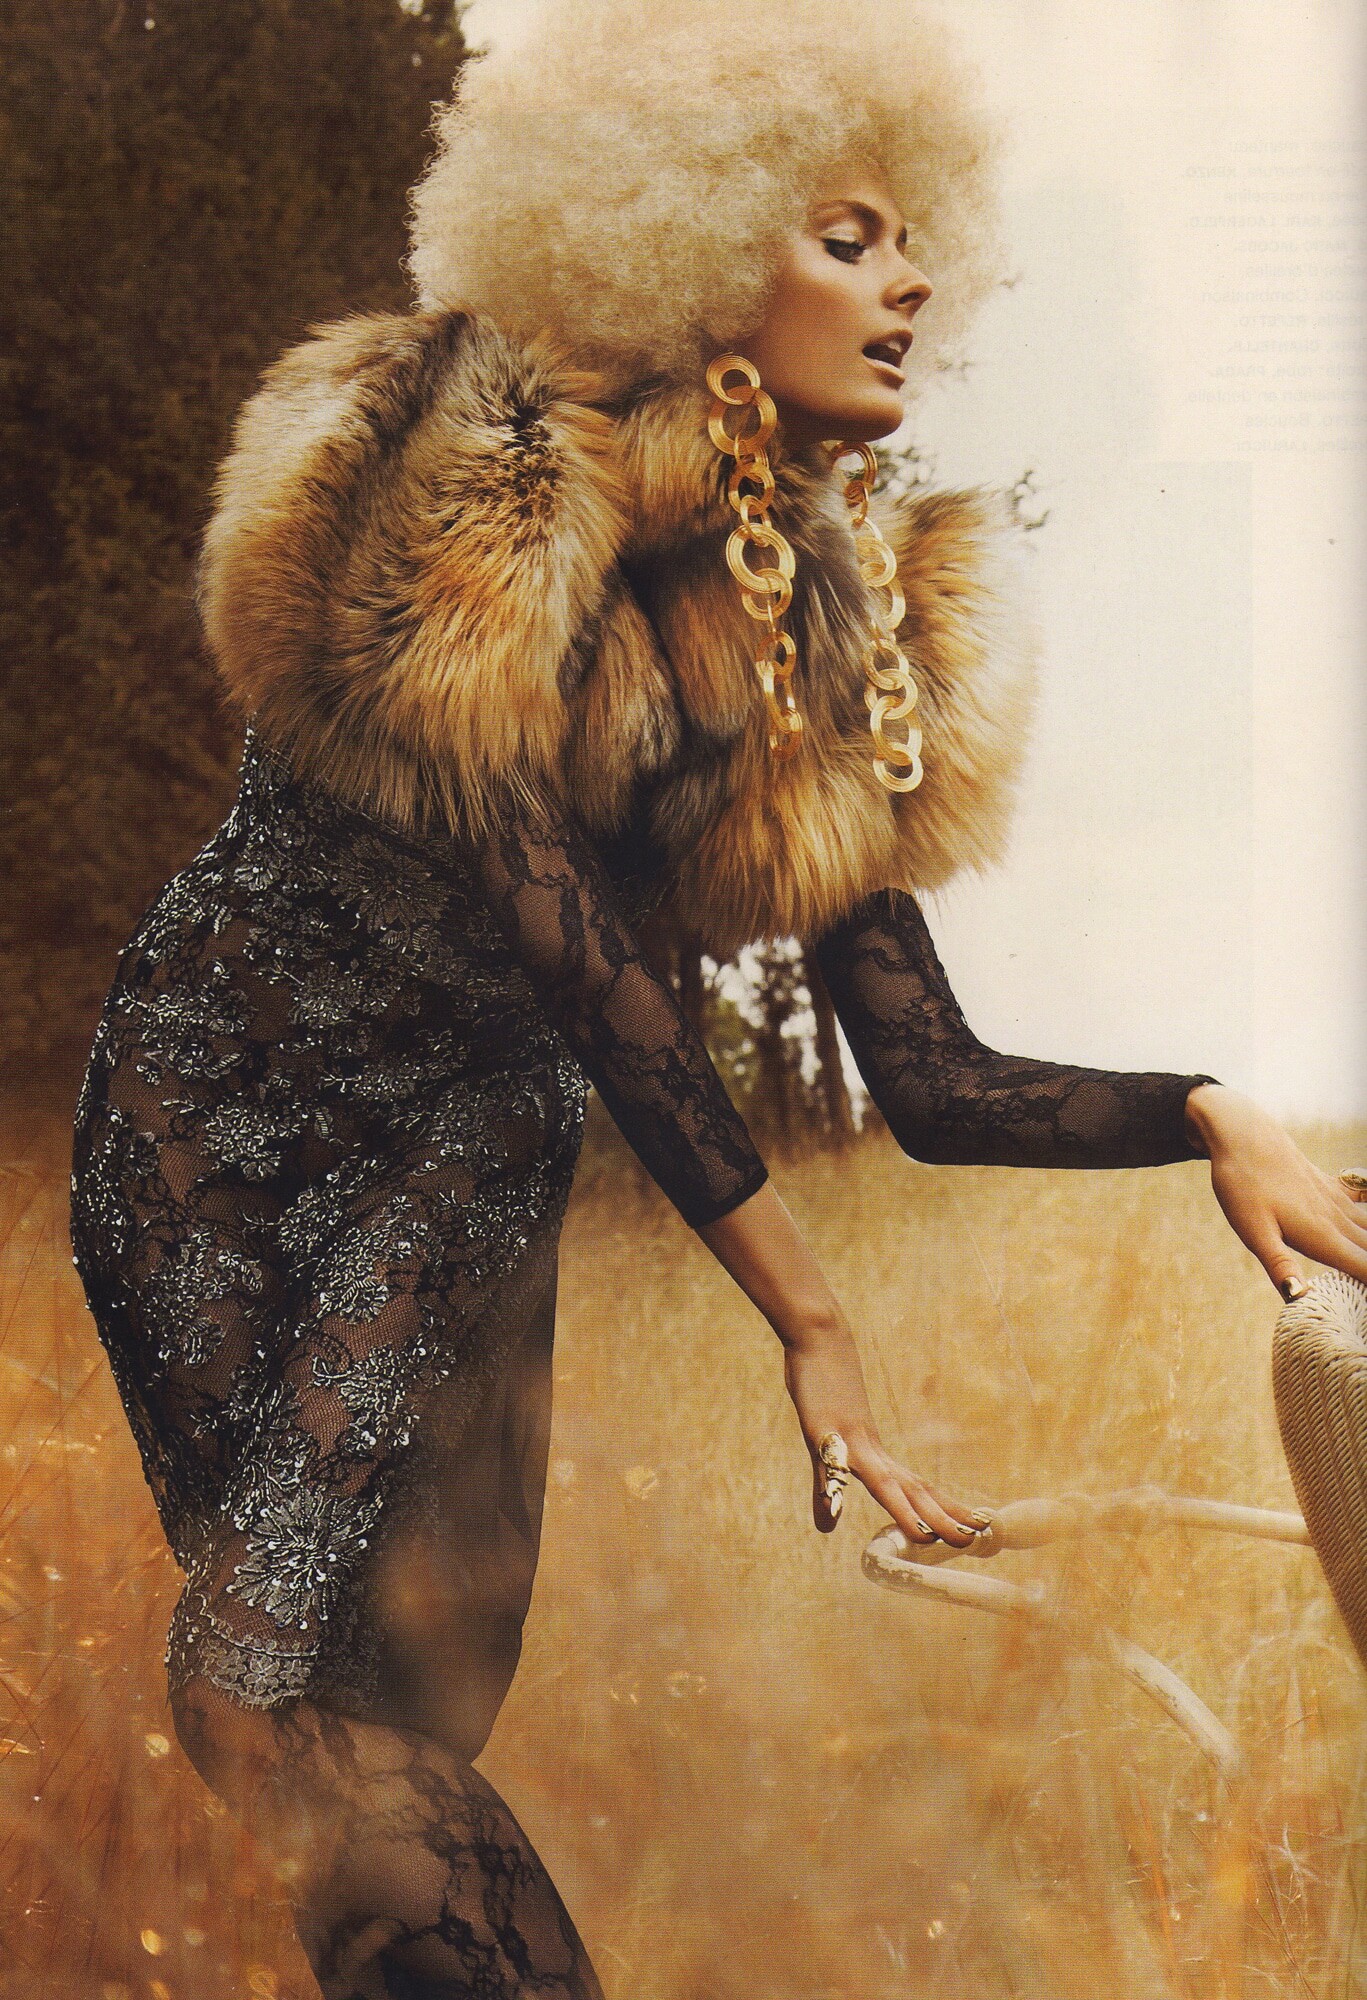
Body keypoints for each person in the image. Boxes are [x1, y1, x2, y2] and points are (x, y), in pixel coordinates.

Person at [66, 2, 1367, 1993]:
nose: (913, 278)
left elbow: (927, 1075)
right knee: (263, 1698)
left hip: (465, 1147)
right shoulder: (473, 460)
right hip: (206, 1109)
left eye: (916, 240)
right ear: (675, 249)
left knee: (395, 1716)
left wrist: (1213, 1108)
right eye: (850, 237)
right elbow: (565, 941)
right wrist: (813, 1320)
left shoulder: (814, 622)